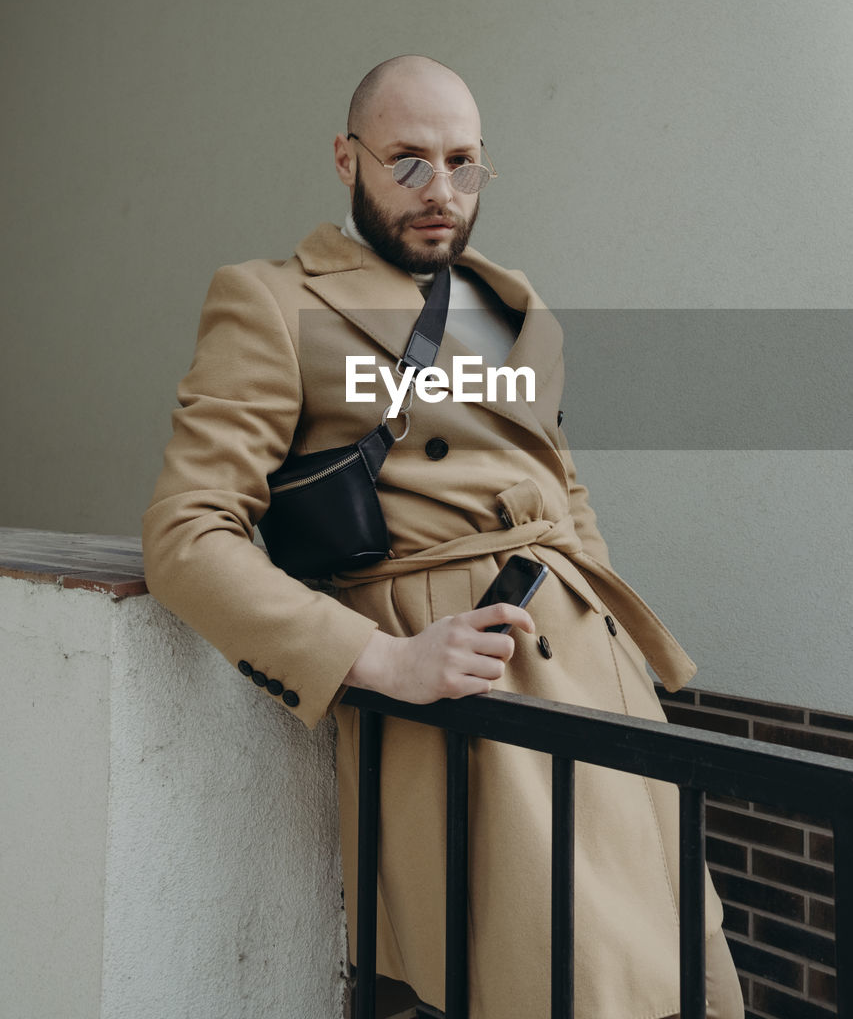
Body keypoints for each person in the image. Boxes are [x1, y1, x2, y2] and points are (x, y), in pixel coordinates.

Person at [143, 55, 744, 1019]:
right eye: (407, 161)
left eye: (463, 163)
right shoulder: (271, 299)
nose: (441, 192)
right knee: (559, 980)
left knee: (678, 967)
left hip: (596, 680)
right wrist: (376, 659)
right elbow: (186, 536)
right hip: (468, 687)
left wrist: (614, 631)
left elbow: (558, 481)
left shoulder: (515, 303)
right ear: (346, 159)